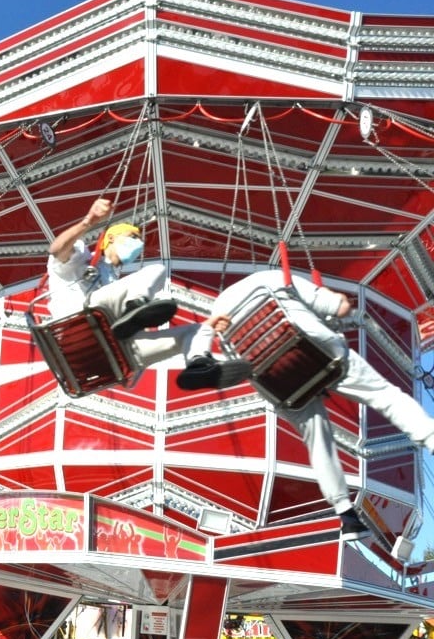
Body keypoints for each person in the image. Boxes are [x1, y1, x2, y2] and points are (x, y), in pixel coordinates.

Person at [179, 270, 434, 542]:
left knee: (317, 439)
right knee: (386, 396)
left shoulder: (219, 306)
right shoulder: (274, 277)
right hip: (314, 348)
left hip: (274, 378)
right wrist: (341, 305)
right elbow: (336, 307)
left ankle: (346, 515)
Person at [46, 198, 247, 389]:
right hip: (79, 323)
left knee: (197, 330)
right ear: (111, 238)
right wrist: (89, 220)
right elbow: (57, 250)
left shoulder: (115, 280)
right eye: (133, 237)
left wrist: (208, 325)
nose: (138, 244)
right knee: (156, 270)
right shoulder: (81, 261)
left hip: (112, 351)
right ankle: (136, 306)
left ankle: (199, 364)